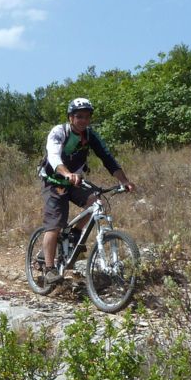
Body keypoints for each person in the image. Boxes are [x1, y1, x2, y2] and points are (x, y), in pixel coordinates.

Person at [39, 97, 134, 284]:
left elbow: (107, 158)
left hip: (75, 181)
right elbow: (54, 156)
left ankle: (75, 233)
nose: (83, 120)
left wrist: (124, 181)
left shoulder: (90, 135)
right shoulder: (59, 132)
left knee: (96, 201)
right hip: (53, 180)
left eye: (87, 116)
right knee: (56, 223)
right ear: (70, 117)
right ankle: (49, 269)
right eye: (79, 116)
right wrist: (66, 173)